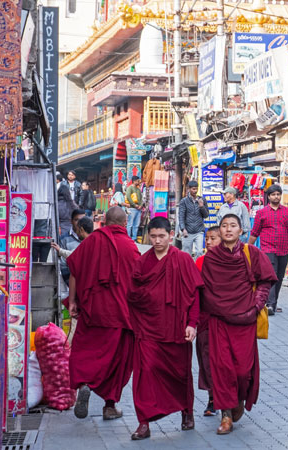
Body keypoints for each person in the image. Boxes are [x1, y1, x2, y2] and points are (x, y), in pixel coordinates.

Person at [127, 217, 204, 440]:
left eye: (162, 236)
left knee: (180, 374)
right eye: (153, 237)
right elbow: (132, 296)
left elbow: (194, 295)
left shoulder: (183, 259)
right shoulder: (143, 262)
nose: (158, 241)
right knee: (146, 373)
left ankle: (187, 412)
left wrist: (192, 323)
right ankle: (144, 422)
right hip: (148, 329)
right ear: (148, 236)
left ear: (171, 235)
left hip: (176, 327)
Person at [201, 214, 277, 435]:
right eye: (224, 225)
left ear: (241, 230)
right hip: (219, 320)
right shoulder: (212, 257)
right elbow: (204, 289)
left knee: (243, 371)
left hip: (245, 320)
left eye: (233, 225)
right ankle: (225, 416)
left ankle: (239, 399)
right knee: (222, 369)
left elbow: (265, 281)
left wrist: (256, 306)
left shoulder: (251, 253)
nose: (227, 229)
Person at [67, 207, 140, 421]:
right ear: (126, 223)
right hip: (121, 314)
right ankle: (109, 406)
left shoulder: (91, 241)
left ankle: (85, 384)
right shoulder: (131, 247)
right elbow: (138, 284)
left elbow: (74, 269)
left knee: (87, 350)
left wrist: (72, 301)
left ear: (104, 221)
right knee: (118, 359)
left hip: (93, 311)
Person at [249, 184, 288, 315]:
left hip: (283, 249)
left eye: (278, 194)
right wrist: (247, 248)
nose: (276, 197)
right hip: (267, 249)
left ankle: (273, 302)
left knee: (279, 277)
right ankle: (270, 304)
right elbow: (255, 232)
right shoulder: (261, 213)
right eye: (273, 194)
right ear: (269, 196)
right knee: (270, 275)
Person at [194, 226, 221, 416]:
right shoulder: (200, 261)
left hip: (226, 319)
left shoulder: (231, 261)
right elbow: (194, 292)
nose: (209, 242)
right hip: (205, 318)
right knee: (207, 359)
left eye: (213, 238)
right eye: (207, 239)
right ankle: (212, 398)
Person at [179, 180, 209, 257]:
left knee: (199, 252)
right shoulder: (184, 201)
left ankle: (197, 268)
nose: (195, 191)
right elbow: (181, 216)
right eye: (193, 189)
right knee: (186, 254)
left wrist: (202, 206)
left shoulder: (202, 200)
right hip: (188, 231)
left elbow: (206, 215)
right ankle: (187, 268)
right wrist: (183, 229)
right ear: (189, 189)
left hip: (199, 230)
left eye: (196, 189)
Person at [126, 176, 143, 242]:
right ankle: (128, 238)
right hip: (132, 208)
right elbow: (128, 197)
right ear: (134, 181)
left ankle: (134, 238)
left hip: (138, 209)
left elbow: (141, 199)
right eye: (137, 181)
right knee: (130, 224)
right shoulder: (129, 188)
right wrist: (134, 205)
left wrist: (140, 205)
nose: (138, 182)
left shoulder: (138, 189)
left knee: (136, 224)